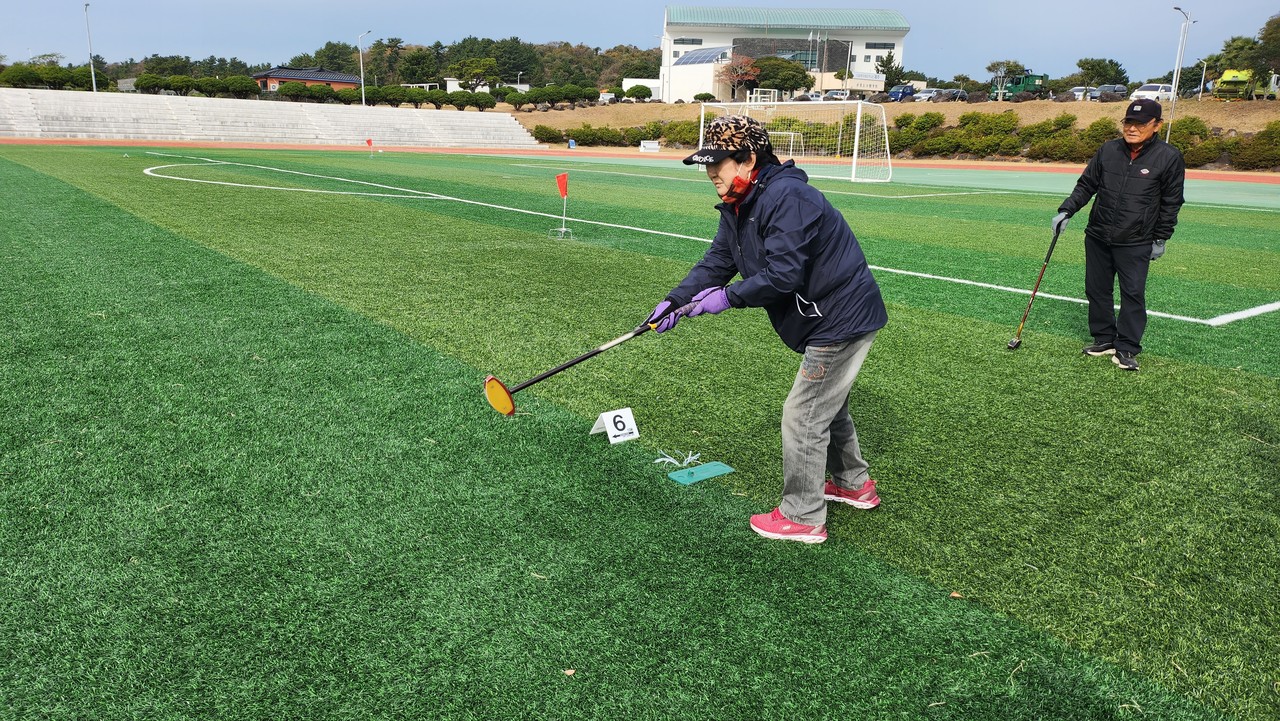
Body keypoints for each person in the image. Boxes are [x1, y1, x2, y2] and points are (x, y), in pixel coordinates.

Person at [646, 115, 888, 544]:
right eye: (707, 165)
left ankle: (803, 515)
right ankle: (853, 484)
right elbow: (718, 261)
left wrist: (728, 298)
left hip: (839, 316)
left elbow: (783, 275)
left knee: (804, 414)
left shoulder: (789, 197)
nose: (710, 174)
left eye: (717, 164)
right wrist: (676, 299)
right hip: (824, 315)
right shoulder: (741, 203)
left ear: (748, 160)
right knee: (827, 406)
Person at [1053, 98, 1185, 371]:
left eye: (1139, 124)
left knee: (1132, 294)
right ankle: (1103, 338)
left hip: (1136, 240)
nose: (1132, 129)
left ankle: (1126, 347)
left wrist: (1161, 238)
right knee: (1097, 289)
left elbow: (1172, 202)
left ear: (1157, 125)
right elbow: (1086, 185)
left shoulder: (1169, 157)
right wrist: (1067, 210)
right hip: (1099, 234)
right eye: (1128, 122)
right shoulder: (1107, 150)